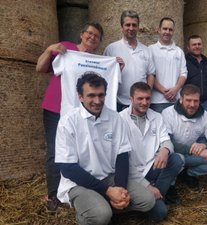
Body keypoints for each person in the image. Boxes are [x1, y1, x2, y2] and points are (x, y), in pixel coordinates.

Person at [55, 73, 155, 225]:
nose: (97, 101)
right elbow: (68, 168)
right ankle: (90, 216)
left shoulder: (115, 118)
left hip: (109, 177)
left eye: (101, 95)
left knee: (148, 201)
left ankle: (102, 209)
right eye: (91, 96)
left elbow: (122, 156)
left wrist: (120, 190)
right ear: (80, 97)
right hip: (78, 183)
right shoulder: (68, 122)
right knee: (101, 215)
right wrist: (108, 191)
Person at [36, 22, 105, 211]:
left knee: (79, 151)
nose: (92, 37)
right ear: (82, 34)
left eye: (96, 36)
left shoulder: (98, 60)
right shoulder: (66, 49)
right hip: (56, 109)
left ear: (99, 41)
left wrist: (117, 66)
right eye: (89, 33)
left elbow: (105, 81)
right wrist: (49, 49)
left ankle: (72, 190)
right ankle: (53, 196)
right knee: (54, 151)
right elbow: (40, 68)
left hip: (80, 113)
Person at [119, 82, 183, 221]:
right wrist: (146, 186)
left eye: (148, 98)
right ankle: (147, 199)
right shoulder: (120, 120)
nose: (144, 102)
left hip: (150, 168)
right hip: (130, 174)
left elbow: (166, 139)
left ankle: (157, 194)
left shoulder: (156, 116)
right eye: (140, 98)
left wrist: (165, 150)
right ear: (131, 99)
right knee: (160, 214)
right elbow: (122, 162)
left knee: (176, 159)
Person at [161, 84, 207, 188]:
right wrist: (192, 150)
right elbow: (167, 142)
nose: (192, 104)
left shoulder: (205, 115)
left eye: (196, 101)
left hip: (192, 155)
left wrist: (204, 146)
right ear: (181, 99)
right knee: (177, 159)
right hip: (175, 155)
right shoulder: (168, 113)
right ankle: (171, 186)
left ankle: (188, 173)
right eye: (188, 100)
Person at [104, 10, 155, 112]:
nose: (131, 28)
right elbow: (104, 75)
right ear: (122, 27)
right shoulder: (111, 49)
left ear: (138, 27)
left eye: (134, 25)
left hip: (140, 105)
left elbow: (151, 74)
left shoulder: (146, 50)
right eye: (127, 25)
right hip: (118, 103)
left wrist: (146, 94)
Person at [149, 17, 187, 113]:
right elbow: (149, 74)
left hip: (176, 100)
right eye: (165, 29)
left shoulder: (179, 51)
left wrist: (175, 90)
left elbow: (183, 74)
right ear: (159, 30)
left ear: (173, 31)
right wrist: (164, 91)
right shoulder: (150, 50)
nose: (167, 32)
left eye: (170, 29)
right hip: (157, 101)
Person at [185, 35, 207, 114]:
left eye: (199, 44)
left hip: (206, 103)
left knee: (205, 125)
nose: (197, 46)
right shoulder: (184, 61)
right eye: (194, 45)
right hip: (190, 102)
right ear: (188, 47)